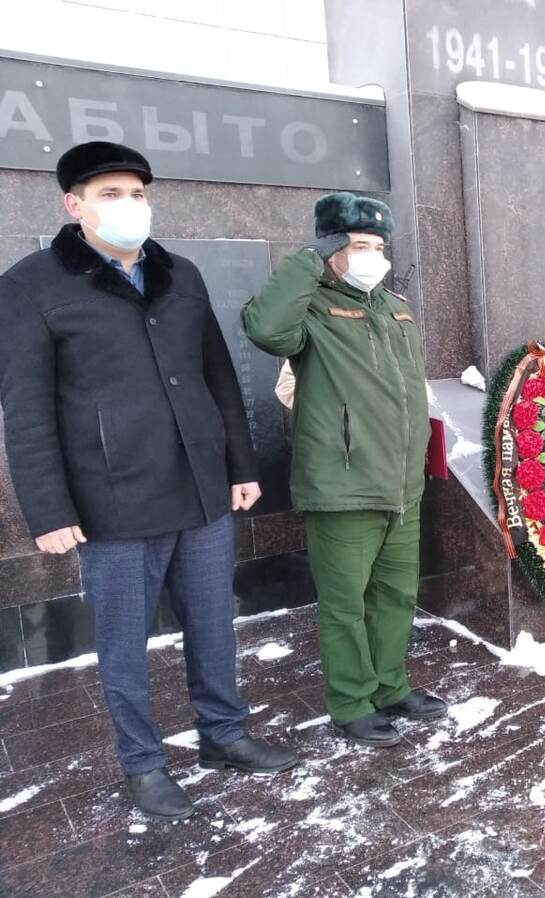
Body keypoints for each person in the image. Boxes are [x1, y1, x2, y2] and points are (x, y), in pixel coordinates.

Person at [0, 141, 296, 821]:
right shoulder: (29, 287)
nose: (128, 205)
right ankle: (143, 762)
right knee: (125, 641)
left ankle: (223, 734)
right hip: (113, 500)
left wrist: (240, 467)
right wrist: (48, 509)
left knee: (213, 623)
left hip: (200, 488)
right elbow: (26, 410)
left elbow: (218, 376)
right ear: (73, 205)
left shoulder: (178, 275)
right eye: (110, 194)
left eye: (136, 194)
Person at [241, 192, 445, 749]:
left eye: (378, 245)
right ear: (330, 248)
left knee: (394, 596)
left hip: (402, 485)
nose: (371, 256)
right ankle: (352, 702)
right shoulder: (311, 309)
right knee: (346, 605)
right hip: (343, 486)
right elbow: (264, 328)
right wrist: (309, 261)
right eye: (357, 245)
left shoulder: (396, 309)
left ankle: (390, 686)